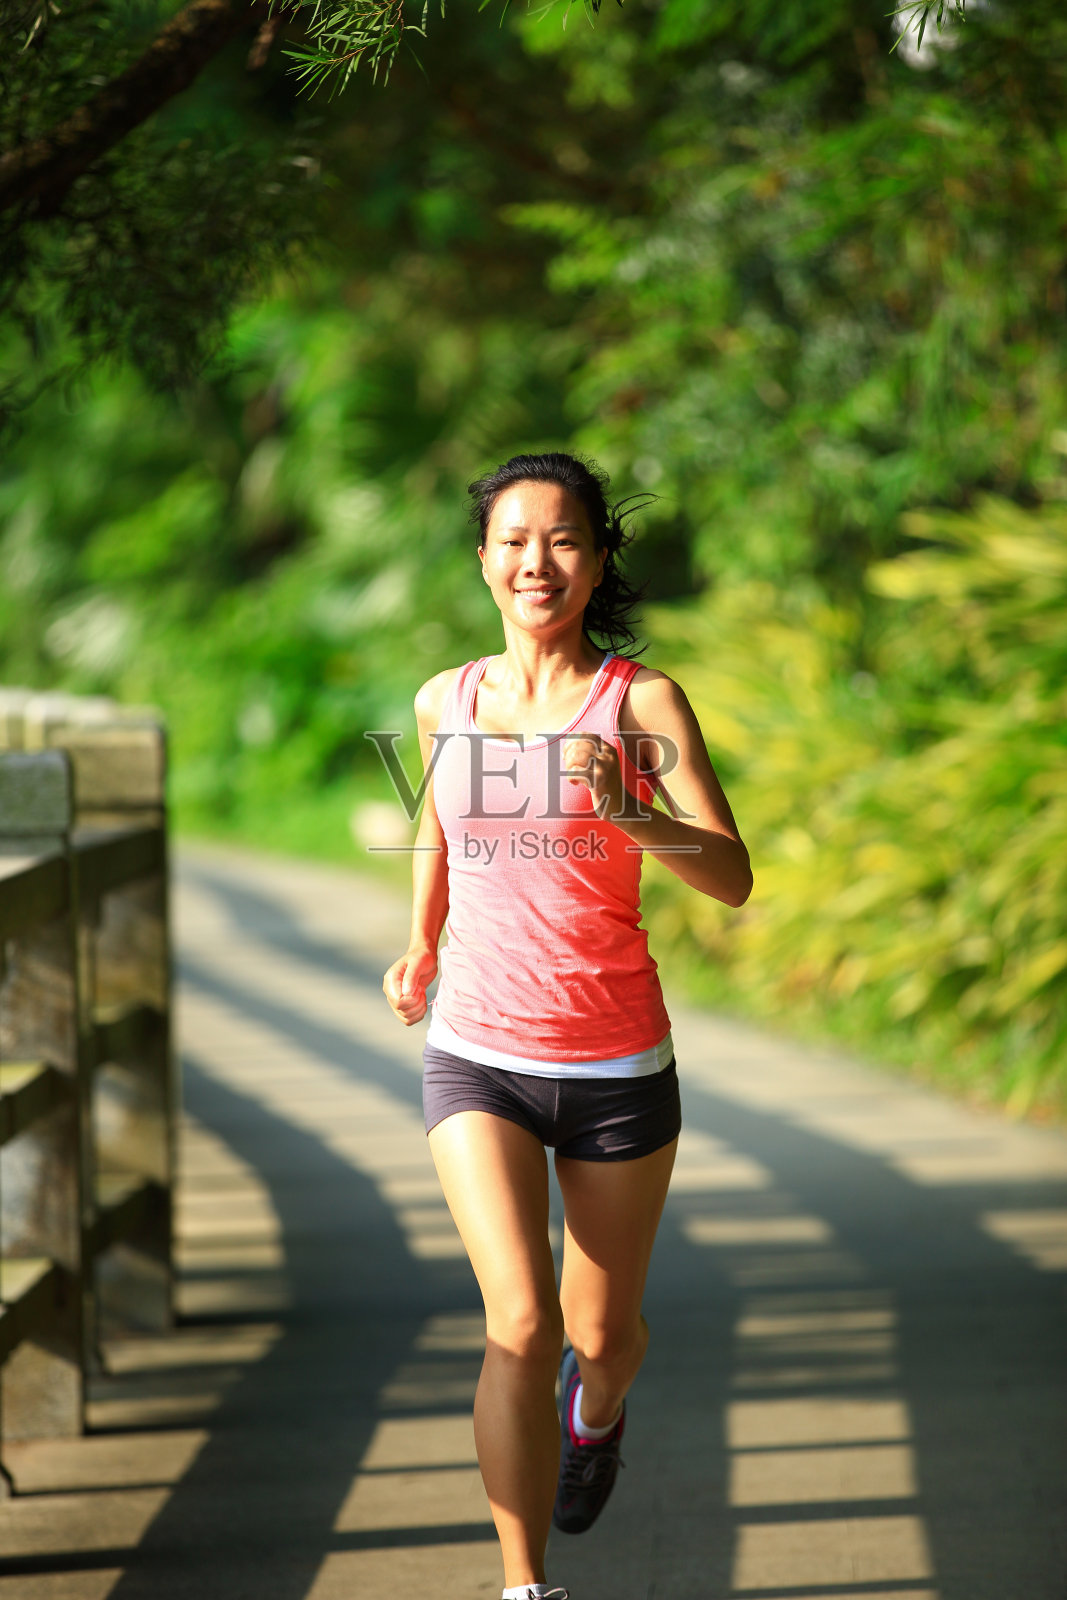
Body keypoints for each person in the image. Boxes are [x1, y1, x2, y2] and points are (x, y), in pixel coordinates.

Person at [382, 451, 752, 1600]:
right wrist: (421, 939)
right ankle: (522, 1583)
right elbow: (438, 825)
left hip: (614, 1062)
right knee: (521, 1322)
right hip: (477, 1050)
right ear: (484, 558)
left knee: (600, 1334)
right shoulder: (445, 697)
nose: (534, 562)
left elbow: (732, 875)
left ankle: (599, 1416)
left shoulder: (638, 702)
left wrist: (631, 811)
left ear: (596, 561)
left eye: (562, 540)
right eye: (512, 540)